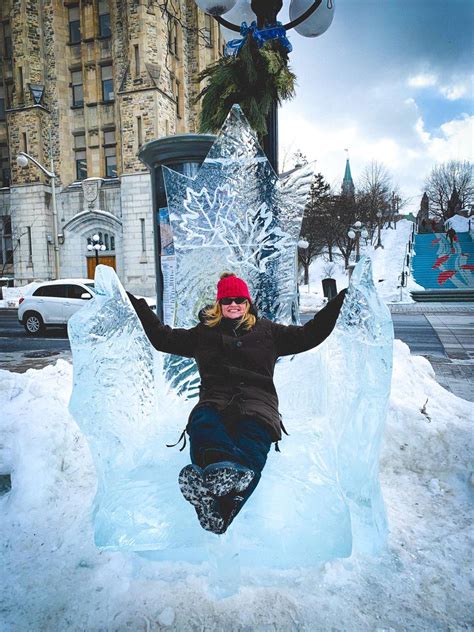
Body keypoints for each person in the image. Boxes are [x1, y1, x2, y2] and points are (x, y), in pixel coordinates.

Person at [127, 272, 347, 535]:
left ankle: (216, 503)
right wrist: (138, 305)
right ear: (219, 304)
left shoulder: (268, 332)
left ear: (248, 302)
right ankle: (221, 495)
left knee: (253, 442)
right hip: (214, 401)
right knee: (202, 428)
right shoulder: (203, 334)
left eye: (240, 300)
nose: (234, 304)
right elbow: (163, 339)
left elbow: (309, 335)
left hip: (258, 403)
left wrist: (340, 302)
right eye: (228, 300)